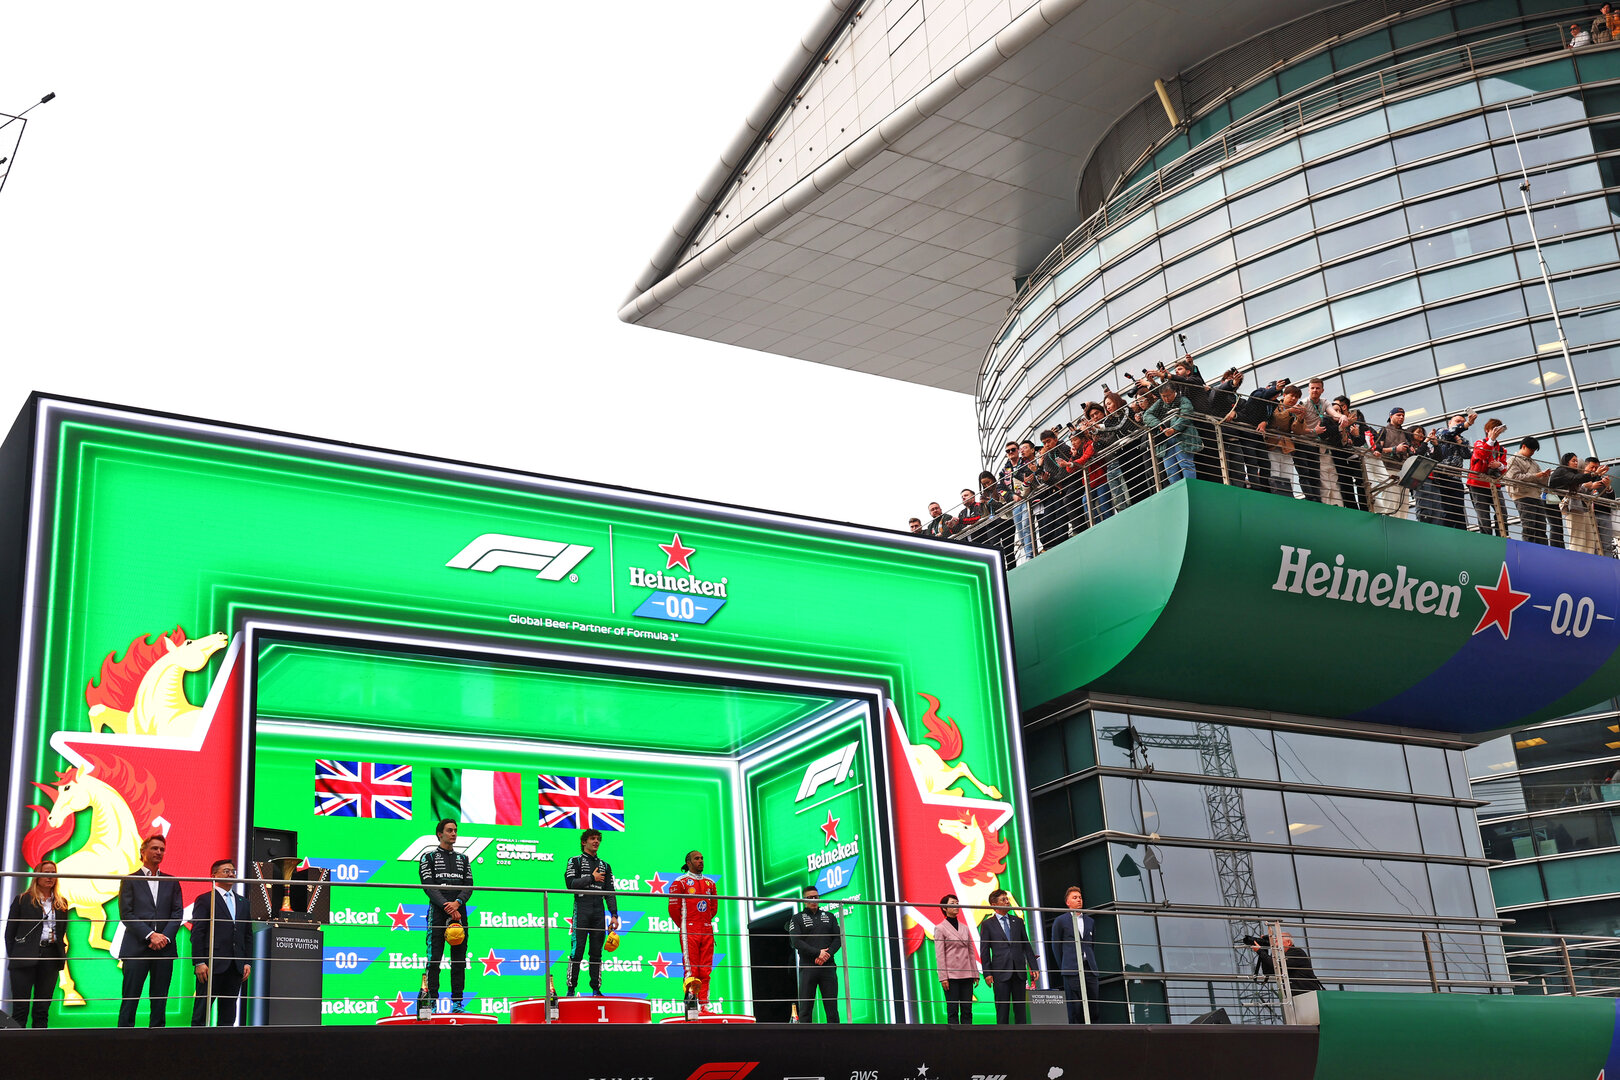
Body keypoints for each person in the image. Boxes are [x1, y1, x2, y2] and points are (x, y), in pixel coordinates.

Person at [118, 833, 183, 1027]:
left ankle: (158, 1041)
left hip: (164, 950)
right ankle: (123, 1041)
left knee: (160, 1001)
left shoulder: (171, 881)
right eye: (154, 848)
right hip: (136, 949)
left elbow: (177, 913)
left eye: (162, 849)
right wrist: (150, 935)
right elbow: (126, 914)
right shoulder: (130, 880)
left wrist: (163, 938)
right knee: (130, 1000)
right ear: (143, 851)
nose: (159, 852)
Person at [6, 860, 68, 1027]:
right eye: (46, 872)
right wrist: (17, 956)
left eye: (53, 873)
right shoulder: (22, 900)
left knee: (42, 1008)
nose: (50, 877)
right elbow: (9, 933)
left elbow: (62, 932)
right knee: (20, 1008)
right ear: (36, 876)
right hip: (24, 956)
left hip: (51, 957)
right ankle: (17, 1048)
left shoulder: (61, 903)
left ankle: (39, 1049)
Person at [190, 858, 251, 1027]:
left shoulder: (243, 902)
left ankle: (225, 1047)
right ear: (213, 875)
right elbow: (197, 933)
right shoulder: (205, 899)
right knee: (202, 1010)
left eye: (233, 871)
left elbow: (247, 935)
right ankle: (195, 1046)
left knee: (229, 1012)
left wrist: (247, 961)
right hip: (211, 965)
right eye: (226, 871)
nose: (231, 874)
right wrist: (199, 962)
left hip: (235, 966)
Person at [420, 817, 473, 1012]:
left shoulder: (463, 859)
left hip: (460, 912)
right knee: (434, 958)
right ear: (439, 834)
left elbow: (469, 886)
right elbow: (428, 886)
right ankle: (431, 1002)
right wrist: (446, 906)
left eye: (455, 830)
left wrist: (457, 903)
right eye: (450, 830)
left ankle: (457, 1003)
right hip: (438, 912)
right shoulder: (428, 857)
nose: (454, 834)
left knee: (459, 960)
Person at [564, 827, 619, 996]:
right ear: (584, 842)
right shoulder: (575, 861)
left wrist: (614, 915)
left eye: (598, 839)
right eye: (592, 839)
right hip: (582, 909)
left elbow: (610, 891)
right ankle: (571, 989)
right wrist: (592, 879)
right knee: (577, 951)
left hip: (598, 913)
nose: (596, 841)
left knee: (596, 952)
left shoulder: (605, 865)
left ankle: (596, 989)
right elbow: (570, 884)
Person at [668, 849, 718, 1010]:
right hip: (689, 930)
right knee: (691, 970)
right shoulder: (680, 882)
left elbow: (713, 909)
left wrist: (703, 923)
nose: (701, 861)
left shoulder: (711, 883)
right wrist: (686, 925)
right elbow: (673, 909)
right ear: (688, 863)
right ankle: (691, 1008)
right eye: (697, 858)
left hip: (707, 930)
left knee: (705, 970)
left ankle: (704, 1007)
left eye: (702, 858)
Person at [978, 889, 1037, 1024]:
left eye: (1007, 899)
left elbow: (1026, 945)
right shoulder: (987, 924)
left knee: (1020, 1009)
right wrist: (987, 973)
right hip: (1000, 972)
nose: (1007, 902)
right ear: (994, 905)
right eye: (1003, 900)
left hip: (1019, 971)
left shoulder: (1018, 921)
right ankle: (1001, 1040)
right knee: (1002, 1009)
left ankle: (1022, 1038)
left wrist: (1034, 966)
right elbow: (985, 951)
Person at [788, 885, 840, 1023]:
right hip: (808, 967)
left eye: (816, 897)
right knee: (805, 1010)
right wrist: (817, 953)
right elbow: (796, 942)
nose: (813, 900)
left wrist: (826, 955)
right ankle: (805, 1042)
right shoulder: (797, 918)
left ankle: (837, 1041)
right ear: (804, 900)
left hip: (828, 967)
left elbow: (838, 938)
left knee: (832, 1010)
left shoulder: (829, 916)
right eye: (810, 898)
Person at [1048, 885, 1098, 1025]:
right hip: (1071, 969)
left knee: (1094, 1006)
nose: (1078, 900)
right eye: (1074, 898)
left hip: (1089, 968)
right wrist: (1065, 965)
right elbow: (1056, 946)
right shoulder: (1061, 921)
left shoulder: (1090, 921)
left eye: (1080, 897)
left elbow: (1091, 944)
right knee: (1075, 1008)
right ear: (1067, 902)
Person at [1142, 382, 1201, 485]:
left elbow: (1186, 415)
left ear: (1174, 392)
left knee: (1186, 464)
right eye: (1163, 396)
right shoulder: (1160, 403)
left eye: (1168, 395)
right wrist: (1159, 425)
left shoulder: (1183, 400)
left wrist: (1173, 429)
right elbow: (1146, 415)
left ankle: (1192, 487)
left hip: (1182, 438)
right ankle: (1177, 491)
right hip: (1166, 441)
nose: (1166, 399)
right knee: (1170, 470)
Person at [933, 893, 977, 1024]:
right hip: (951, 975)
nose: (956, 906)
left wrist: (975, 973)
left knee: (967, 1009)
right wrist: (943, 977)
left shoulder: (964, 927)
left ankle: (968, 1037)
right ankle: (954, 1039)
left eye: (957, 903)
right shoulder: (940, 928)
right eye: (952, 904)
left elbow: (971, 952)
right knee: (952, 1009)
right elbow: (939, 954)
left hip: (967, 974)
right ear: (944, 908)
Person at [1502, 438, 1555, 545]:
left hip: (1536, 496)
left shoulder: (1534, 464)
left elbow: (1542, 483)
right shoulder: (1513, 460)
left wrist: (1545, 476)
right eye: (1531, 449)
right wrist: (1536, 475)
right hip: (1522, 496)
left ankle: (1543, 550)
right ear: (1524, 446)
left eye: (1534, 450)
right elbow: (1514, 477)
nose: (1532, 452)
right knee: (1529, 525)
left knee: (1541, 526)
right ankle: (1528, 549)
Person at [1552, 453, 1607, 555]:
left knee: (1590, 538)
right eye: (1573, 461)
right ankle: (1578, 561)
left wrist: (1591, 486)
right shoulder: (1564, 472)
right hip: (1574, 508)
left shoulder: (1578, 476)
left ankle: (1589, 560)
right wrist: (1588, 484)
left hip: (1584, 508)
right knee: (1579, 538)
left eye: (1576, 461)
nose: (1576, 463)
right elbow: (1573, 491)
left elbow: (1584, 493)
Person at [1432, 412, 1477, 529]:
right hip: (1441, 477)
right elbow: (1448, 434)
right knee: (1445, 509)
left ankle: (1461, 533)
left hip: (1456, 479)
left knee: (1458, 510)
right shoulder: (1441, 431)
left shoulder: (1463, 440)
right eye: (1458, 421)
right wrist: (1467, 424)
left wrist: (1460, 443)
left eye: (1462, 422)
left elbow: (1467, 455)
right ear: (1449, 423)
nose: (1460, 424)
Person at [1467, 418, 1508, 536]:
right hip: (1477, 483)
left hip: (1494, 484)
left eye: (1499, 430)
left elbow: (1505, 469)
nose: (1496, 432)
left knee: (1502, 513)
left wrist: (1498, 465)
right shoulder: (1479, 443)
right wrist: (1491, 439)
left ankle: (1502, 537)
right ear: (1487, 430)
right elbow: (1481, 454)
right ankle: (1487, 540)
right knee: (1483, 516)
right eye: (1494, 429)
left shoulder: (1501, 449)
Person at [1371, 407, 1415, 517]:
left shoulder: (1406, 433)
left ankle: (1401, 529)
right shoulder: (1384, 431)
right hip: (1388, 470)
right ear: (1391, 416)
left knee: (1404, 504)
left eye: (1403, 416)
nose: (1401, 417)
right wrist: (1396, 449)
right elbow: (1378, 450)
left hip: (1403, 472)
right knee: (1391, 501)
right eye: (1398, 415)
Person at [1250, 930, 1323, 993]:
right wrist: (1264, 949)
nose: (1275, 945)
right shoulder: (1284, 957)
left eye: (1277, 941)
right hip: (1297, 996)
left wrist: (1260, 951)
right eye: (1275, 942)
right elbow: (1268, 971)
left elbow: (1278, 965)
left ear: (1288, 942)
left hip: (1308, 994)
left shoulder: (1297, 952)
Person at [1587, 458, 1616, 557]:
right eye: (1592, 467)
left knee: (1607, 544)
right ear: (1586, 467)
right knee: (1593, 545)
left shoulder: (1602, 480)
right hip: (1589, 515)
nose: (1595, 470)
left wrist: (1608, 487)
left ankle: (1608, 566)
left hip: (1604, 514)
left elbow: (1612, 499)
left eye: (1596, 467)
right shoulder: (1584, 479)